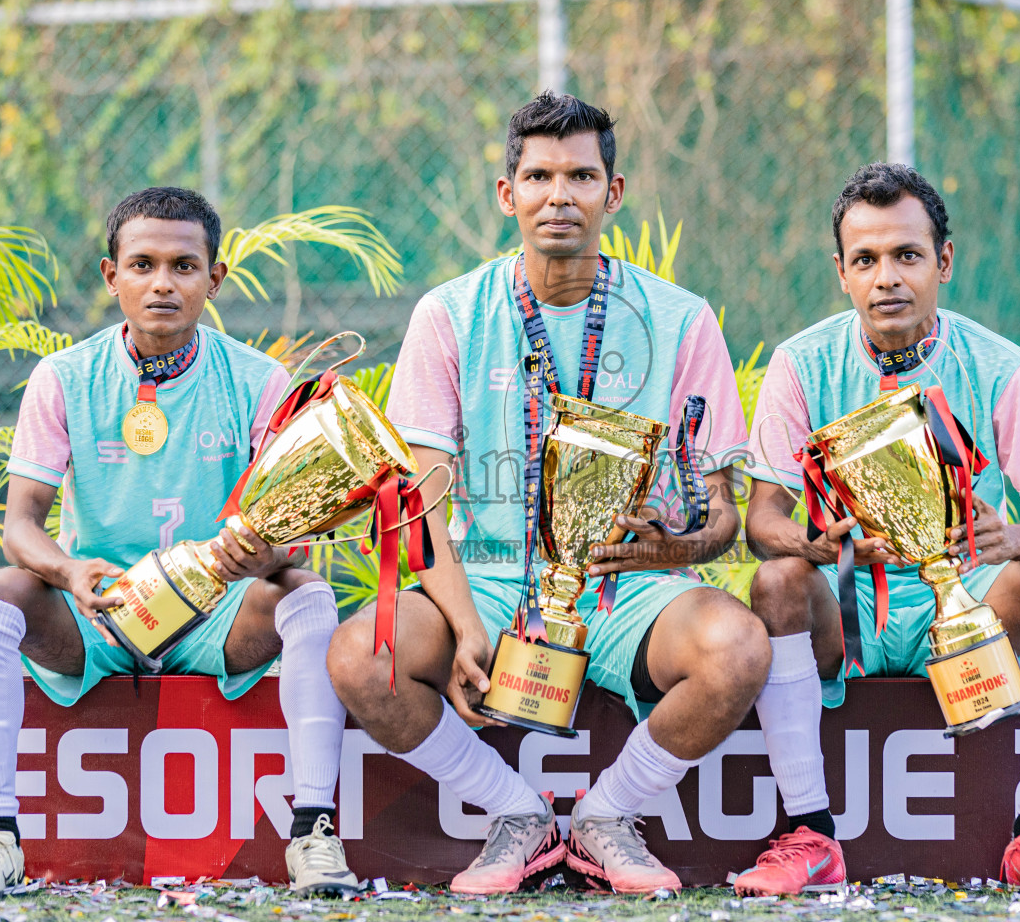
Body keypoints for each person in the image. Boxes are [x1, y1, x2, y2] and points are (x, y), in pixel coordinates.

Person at [328, 92, 770, 894]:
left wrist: (673, 543)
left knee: (737, 648)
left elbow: (723, 510)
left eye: (580, 175)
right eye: (537, 176)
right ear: (508, 194)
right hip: (495, 578)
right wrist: (463, 621)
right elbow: (414, 503)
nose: (558, 194)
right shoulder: (451, 313)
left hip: (629, 584)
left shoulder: (681, 318)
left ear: (615, 192)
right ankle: (517, 816)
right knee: (363, 656)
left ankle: (606, 819)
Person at [0, 188, 357, 899]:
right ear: (112, 277)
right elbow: (19, 527)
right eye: (142, 264)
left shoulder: (261, 381)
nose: (162, 282)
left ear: (214, 279)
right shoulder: (64, 378)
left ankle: (314, 834)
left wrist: (264, 556)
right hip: (99, 614)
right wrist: (70, 571)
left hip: (215, 616)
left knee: (308, 597)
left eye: (183, 266)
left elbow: (295, 534)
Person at [734, 164, 1020, 897]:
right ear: (841, 273)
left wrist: (1013, 539)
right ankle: (810, 834)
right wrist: (821, 545)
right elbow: (761, 521)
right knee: (775, 581)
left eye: (907, 256)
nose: (887, 278)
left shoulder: (998, 366)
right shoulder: (802, 364)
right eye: (865, 260)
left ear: (945, 262)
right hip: (850, 608)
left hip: (968, 597)